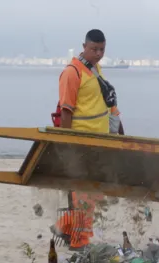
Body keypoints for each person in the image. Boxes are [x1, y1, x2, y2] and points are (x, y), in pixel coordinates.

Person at [53, 29, 124, 250]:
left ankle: (67, 230)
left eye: (102, 49)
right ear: (84, 46)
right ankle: (76, 240)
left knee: (90, 194)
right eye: (94, 49)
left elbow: (106, 105)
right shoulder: (72, 72)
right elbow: (66, 110)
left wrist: (118, 135)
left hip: (99, 142)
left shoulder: (95, 70)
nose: (98, 53)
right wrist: (67, 145)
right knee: (83, 195)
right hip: (82, 142)